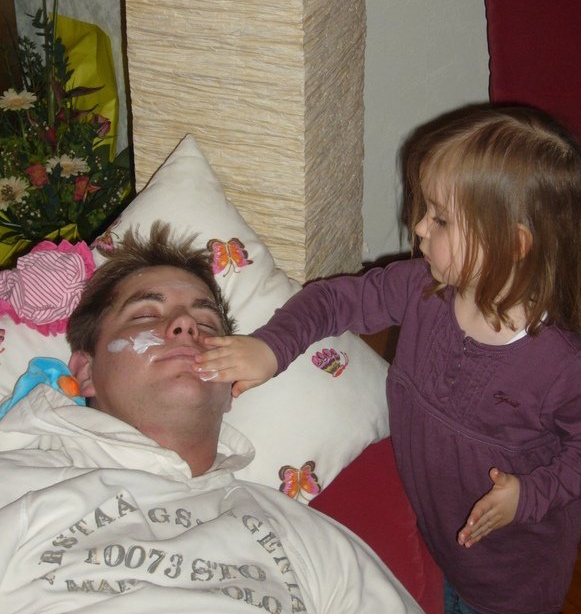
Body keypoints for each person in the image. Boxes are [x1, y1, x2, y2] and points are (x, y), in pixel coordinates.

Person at [199, 104, 581, 614]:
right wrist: (271, 347)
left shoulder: (558, 366)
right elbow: (333, 300)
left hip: (509, 579)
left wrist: (530, 495)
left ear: (513, 244)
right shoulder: (421, 289)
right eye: (425, 210)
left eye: (441, 219)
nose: (419, 227)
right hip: (434, 534)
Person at [0, 222, 422, 614]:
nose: (185, 324)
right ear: (86, 372)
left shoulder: (306, 539)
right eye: (146, 315)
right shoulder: (19, 483)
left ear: (230, 387)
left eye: (206, 322)